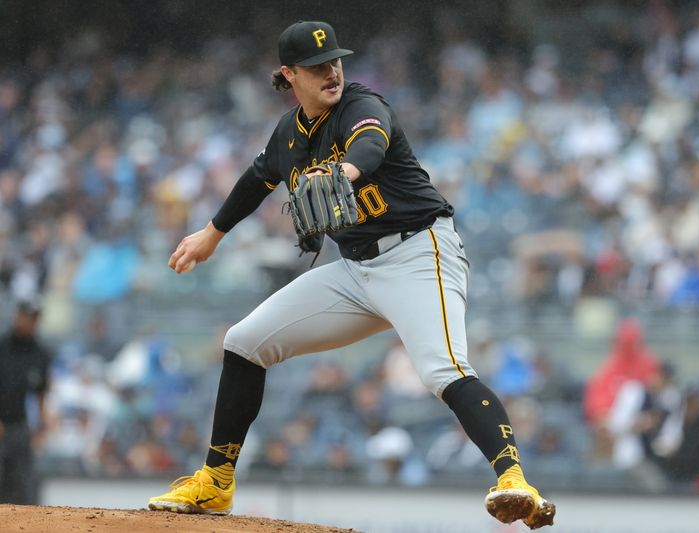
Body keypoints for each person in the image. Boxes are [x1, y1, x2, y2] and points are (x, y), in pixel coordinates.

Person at [147, 20, 555, 529]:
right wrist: (213, 232)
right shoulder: (288, 134)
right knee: (244, 342)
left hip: (418, 253)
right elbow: (257, 179)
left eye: (335, 61)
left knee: (441, 369)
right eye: (317, 67)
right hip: (357, 269)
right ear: (289, 75)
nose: (331, 72)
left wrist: (343, 173)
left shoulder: (362, 106)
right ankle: (216, 481)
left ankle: (513, 478)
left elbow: (370, 144)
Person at [0, 298, 51, 504]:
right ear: (18, 317)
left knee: (24, 484)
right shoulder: (2, 347)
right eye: (28, 317)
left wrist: (41, 426)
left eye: (35, 319)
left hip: (19, 425)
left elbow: (40, 393)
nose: (31, 322)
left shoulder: (40, 353)